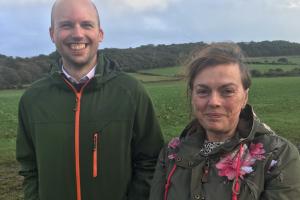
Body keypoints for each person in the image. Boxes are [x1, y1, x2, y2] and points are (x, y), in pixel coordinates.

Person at [16, 0, 164, 199]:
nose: (77, 33)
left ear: (100, 34)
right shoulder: (32, 99)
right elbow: (29, 168)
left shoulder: (131, 92)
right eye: (66, 25)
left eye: (86, 25)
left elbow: (151, 162)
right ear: (52, 34)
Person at [149, 43, 300, 200]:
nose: (214, 102)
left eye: (227, 91)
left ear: (245, 97)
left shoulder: (278, 155)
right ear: (192, 95)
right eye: (203, 91)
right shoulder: (171, 153)